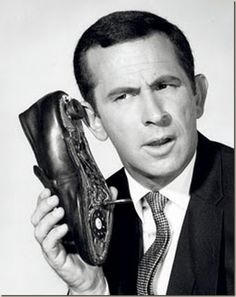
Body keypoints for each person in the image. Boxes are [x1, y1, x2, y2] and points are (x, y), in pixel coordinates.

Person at [30, 10, 234, 295]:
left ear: (197, 95)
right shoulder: (94, 221)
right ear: (94, 121)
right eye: (123, 96)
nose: (154, 114)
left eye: (164, 85)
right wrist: (91, 290)